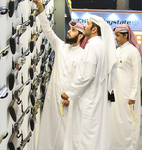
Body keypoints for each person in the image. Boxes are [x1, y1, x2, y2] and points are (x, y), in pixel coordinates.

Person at [33, 0, 88, 150]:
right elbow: (47, 29)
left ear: (81, 36)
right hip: (53, 96)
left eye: (73, 31)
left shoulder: (84, 55)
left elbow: (82, 81)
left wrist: (71, 97)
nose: (69, 32)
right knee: (49, 131)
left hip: (68, 99)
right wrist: (40, 7)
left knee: (66, 134)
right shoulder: (61, 47)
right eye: (70, 30)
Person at [61, 15, 118, 150]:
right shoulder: (101, 45)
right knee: (93, 136)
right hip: (95, 98)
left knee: (84, 137)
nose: (84, 26)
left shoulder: (92, 46)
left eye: (87, 24)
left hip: (88, 99)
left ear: (94, 30)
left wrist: (69, 92)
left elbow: (86, 76)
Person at [111, 24, 142, 150]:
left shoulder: (133, 51)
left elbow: (137, 75)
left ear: (126, 36)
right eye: (115, 35)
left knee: (128, 121)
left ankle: (130, 147)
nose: (116, 38)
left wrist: (133, 94)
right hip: (117, 92)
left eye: (118, 35)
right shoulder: (117, 51)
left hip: (128, 93)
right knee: (117, 121)